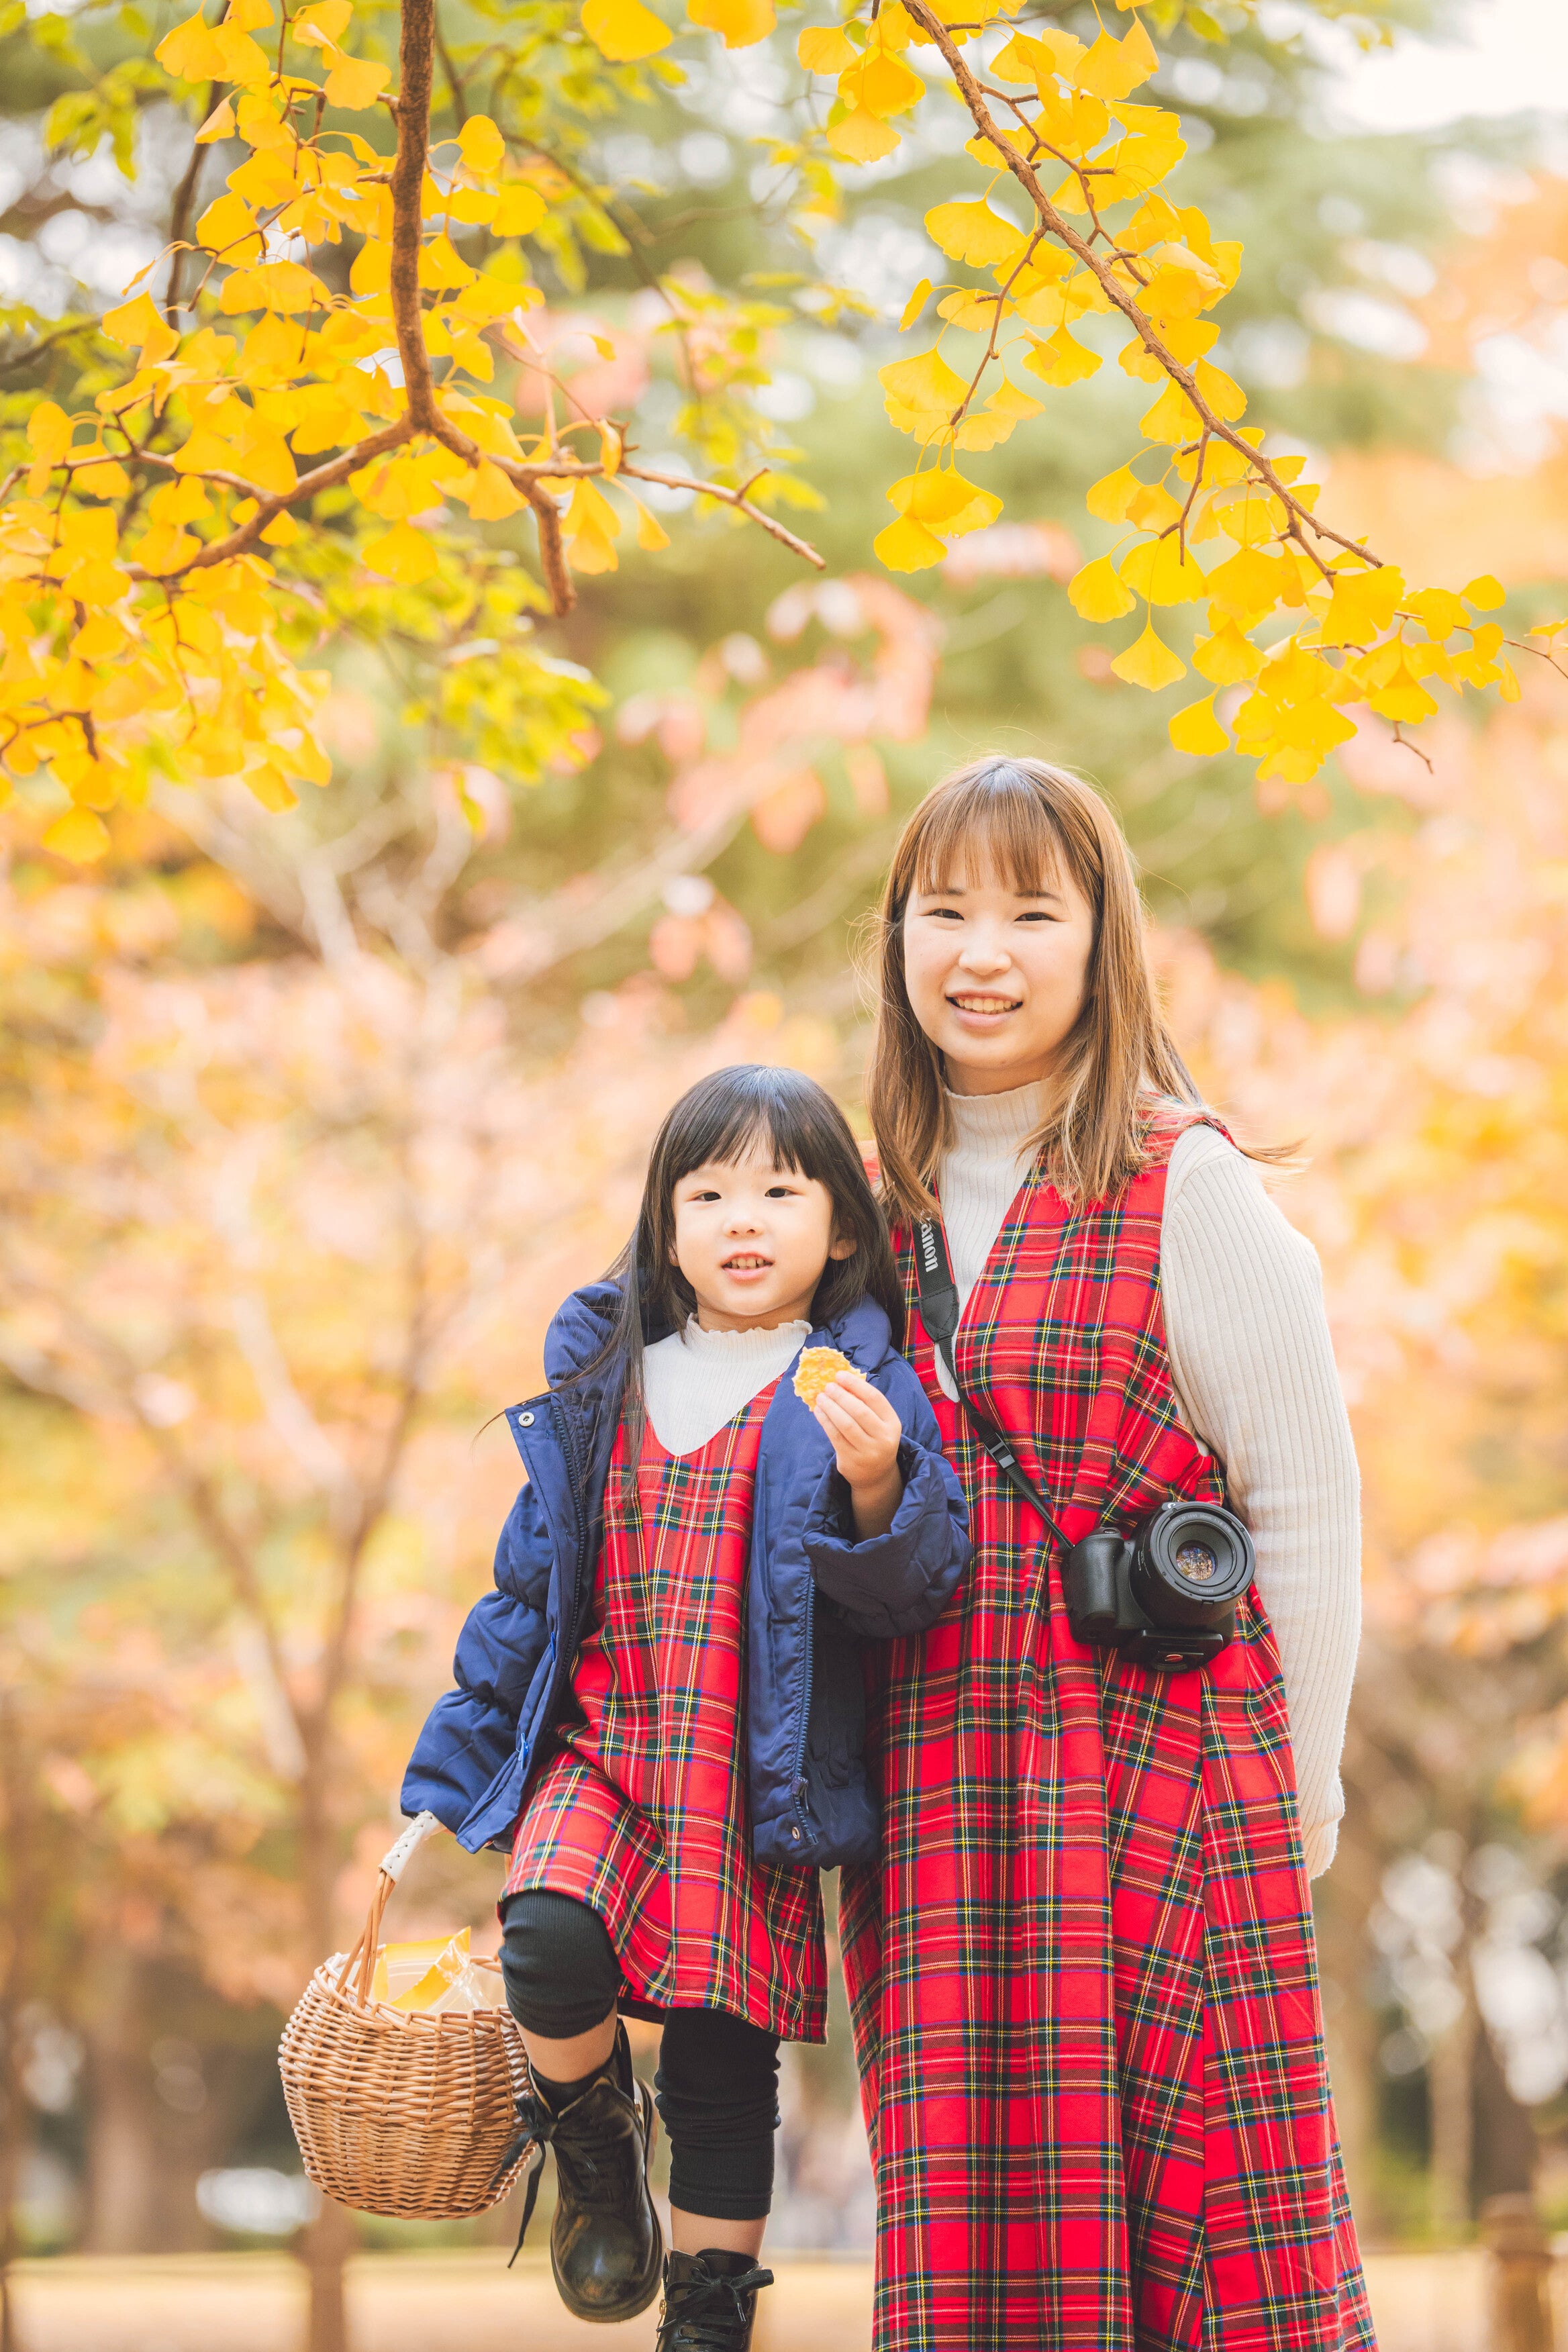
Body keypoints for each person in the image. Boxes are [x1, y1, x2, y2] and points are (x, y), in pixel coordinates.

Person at [840, 756, 1374, 2351]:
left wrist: (1303, 1793)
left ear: (1099, 940)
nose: (979, 952)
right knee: (975, 2242)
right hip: (937, 1802)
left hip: (1159, 1778)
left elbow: (1304, 1496)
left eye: (1027, 909)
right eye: (943, 912)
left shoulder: (1182, 1184)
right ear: (896, 942)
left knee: (1205, 2224)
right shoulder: (865, 1209)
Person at [402, 1064, 970, 2352]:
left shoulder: (852, 1386)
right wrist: (459, 1765)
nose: (744, 1218)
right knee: (543, 1938)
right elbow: (526, 1591)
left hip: (750, 1774)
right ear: (666, 1223)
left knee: (722, 2066)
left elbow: (921, 1585)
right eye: (707, 1192)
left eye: (781, 1187)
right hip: (607, 1749)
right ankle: (595, 2139)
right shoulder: (612, 1376)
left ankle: (710, 2310)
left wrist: (881, 1480)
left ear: (840, 1222)